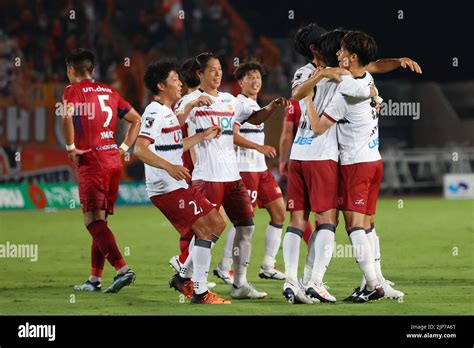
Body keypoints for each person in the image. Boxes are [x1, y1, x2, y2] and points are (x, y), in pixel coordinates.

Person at [175, 52, 290, 299]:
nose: (217, 74)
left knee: (246, 226)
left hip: (232, 176)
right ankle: (191, 279)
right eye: (212, 70)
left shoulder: (229, 100)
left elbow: (254, 118)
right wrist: (191, 106)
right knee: (210, 230)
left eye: (219, 69)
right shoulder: (191, 100)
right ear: (199, 74)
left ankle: (239, 284)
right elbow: (175, 125)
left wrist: (271, 106)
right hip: (208, 176)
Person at [134, 59, 229, 304]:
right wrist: (170, 167)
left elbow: (174, 146)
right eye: (174, 79)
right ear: (161, 85)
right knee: (205, 230)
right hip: (165, 187)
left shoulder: (167, 113)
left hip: (177, 184)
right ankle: (200, 292)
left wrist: (202, 135)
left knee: (217, 223)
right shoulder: (154, 112)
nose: (179, 83)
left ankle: (183, 276)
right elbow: (140, 149)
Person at [62, 48, 141, 293]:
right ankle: (94, 279)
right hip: (113, 161)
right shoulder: (110, 91)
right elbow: (137, 119)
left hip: (92, 163)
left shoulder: (72, 90)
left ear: (71, 70)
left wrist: (71, 146)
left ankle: (122, 269)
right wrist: (125, 147)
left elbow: (66, 116)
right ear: (93, 70)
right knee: (101, 221)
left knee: (91, 221)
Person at [214, 61, 285, 282]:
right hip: (245, 170)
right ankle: (224, 266)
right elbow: (231, 134)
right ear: (240, 82)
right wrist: (259, 147)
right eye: (250, 77)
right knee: (243, 221)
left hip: (260, 169)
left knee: (280, 213)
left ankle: (268, 265)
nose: (255, 81)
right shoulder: (239, 104)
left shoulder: (255, 106)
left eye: (258, 77)